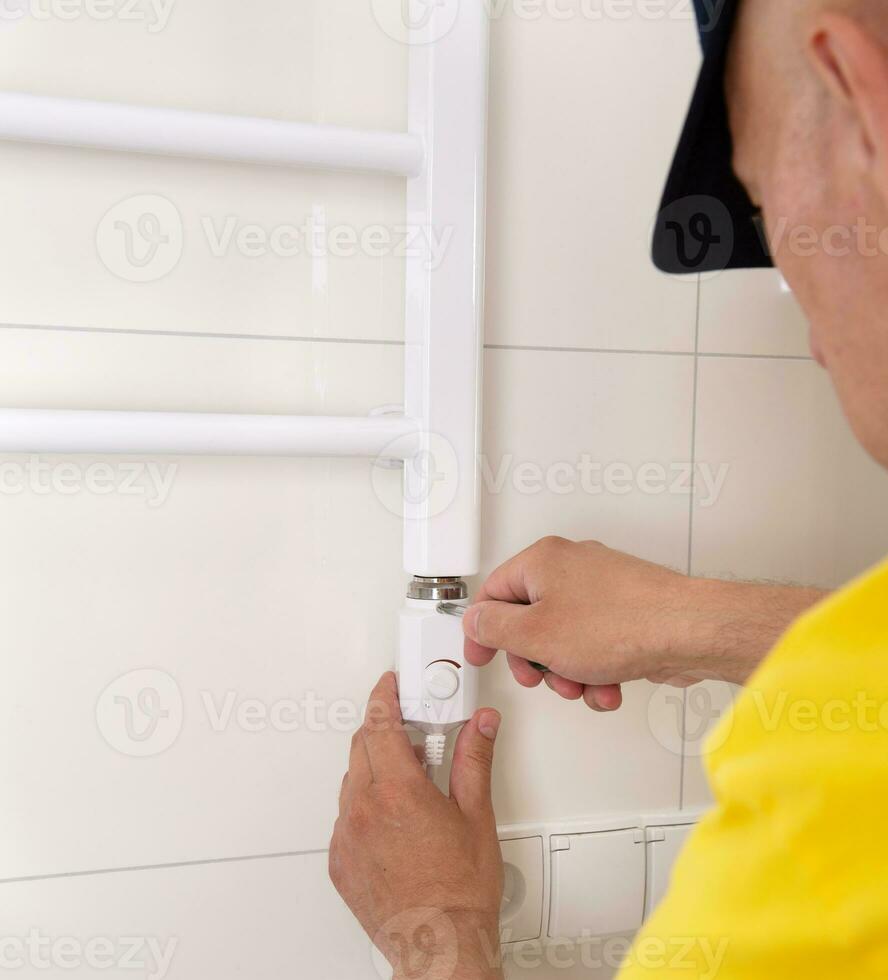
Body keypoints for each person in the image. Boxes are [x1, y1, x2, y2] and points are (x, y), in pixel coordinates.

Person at [329, 0, 888, 975]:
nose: (805, 329)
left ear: (862, 105)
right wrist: (693, 622)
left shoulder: (847, 803)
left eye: (765, 213)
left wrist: (437, 921)